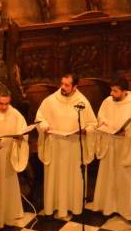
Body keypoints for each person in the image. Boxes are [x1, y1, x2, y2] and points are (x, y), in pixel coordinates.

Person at [36, 73, 97, 219]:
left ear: (75, 86)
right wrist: (44, 126)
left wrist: (85, 130)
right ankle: (53, 207)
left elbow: (93, 124)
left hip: (74, 147)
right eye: (62, 83)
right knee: (56, 177)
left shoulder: (82, 102)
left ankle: (74, 206)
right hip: (55, 145)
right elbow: (39, 119)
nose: (63, 87)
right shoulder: (50, 101)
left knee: (73, 177)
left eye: (67, 85)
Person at [91, 77, 131, 221]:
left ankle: (127, 210)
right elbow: (101, 117)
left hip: (125, 147)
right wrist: (103, 123)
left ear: (124, 91)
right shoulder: (107, 102)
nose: (112, 93)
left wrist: (127, 132)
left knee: (125, 178)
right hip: (110, 144)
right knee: (109, 175)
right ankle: (108, 206)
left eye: (115, 91)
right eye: (111, 90)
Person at [0, 91, 29, 228]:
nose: (3, 107)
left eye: (6, 104)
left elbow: (23, 131)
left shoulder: (15, 114)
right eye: (0, 104)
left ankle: (8, 214)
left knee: (7, 183)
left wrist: (21, 137)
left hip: (8, 155)